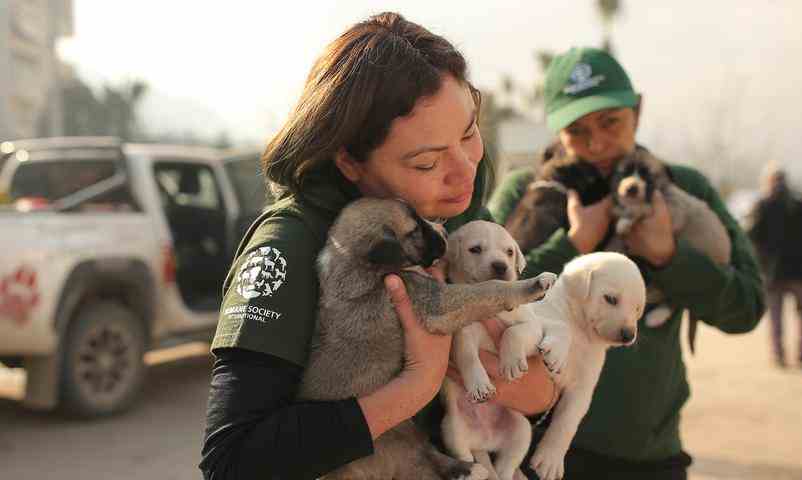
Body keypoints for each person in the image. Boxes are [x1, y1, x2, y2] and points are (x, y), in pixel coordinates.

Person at [198, 12, 555, 480]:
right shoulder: (289, 247)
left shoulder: (460, 221)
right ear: (349, 161)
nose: (465, 169)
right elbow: (232, 461)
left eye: (469, 133)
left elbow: (542, 390)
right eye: (427, 162)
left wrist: (464, 362)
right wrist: (413, 386)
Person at [489, 46, 766, 479]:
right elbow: (487, 300)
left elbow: (747, 306)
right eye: (577, 131)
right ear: (556, 132)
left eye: (609, 122)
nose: (595, 143)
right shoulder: (529, 193)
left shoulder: (680, 190)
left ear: (637, 111)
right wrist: (574, 243)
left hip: (648, 457)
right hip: (537, 452)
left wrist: (670, 257)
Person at [747, 163, 802, 370]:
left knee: (776, 316)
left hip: (774, 272)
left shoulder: (764, 204)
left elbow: (752, 234)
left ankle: (779, 356)